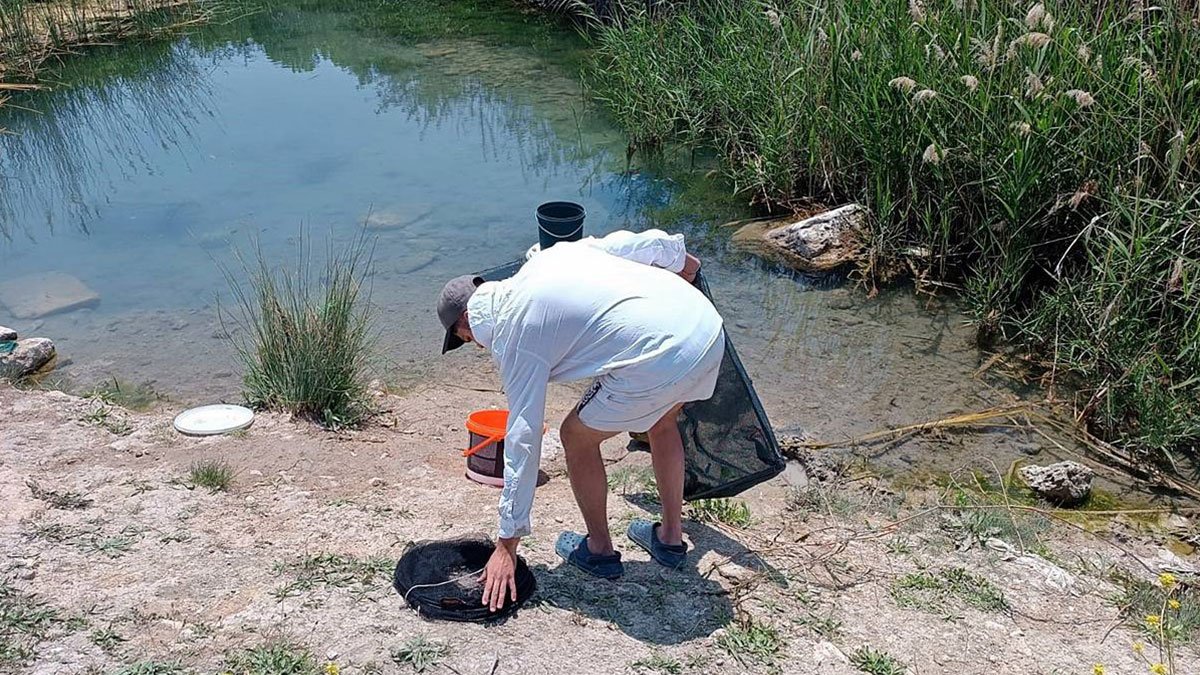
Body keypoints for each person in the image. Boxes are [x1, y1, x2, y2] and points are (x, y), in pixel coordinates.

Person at [436, 229, 724, 611]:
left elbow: (523, 436)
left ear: (466, 321)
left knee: (575, 436)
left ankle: (599, 550)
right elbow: (635, 244)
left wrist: (507, 543)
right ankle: (671, 538)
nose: (473, 344)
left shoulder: (512, 332)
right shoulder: (548, 259)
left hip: (661, 355)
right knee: (661, 420)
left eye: (465, 338)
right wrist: (682, 260)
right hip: (705, 328)